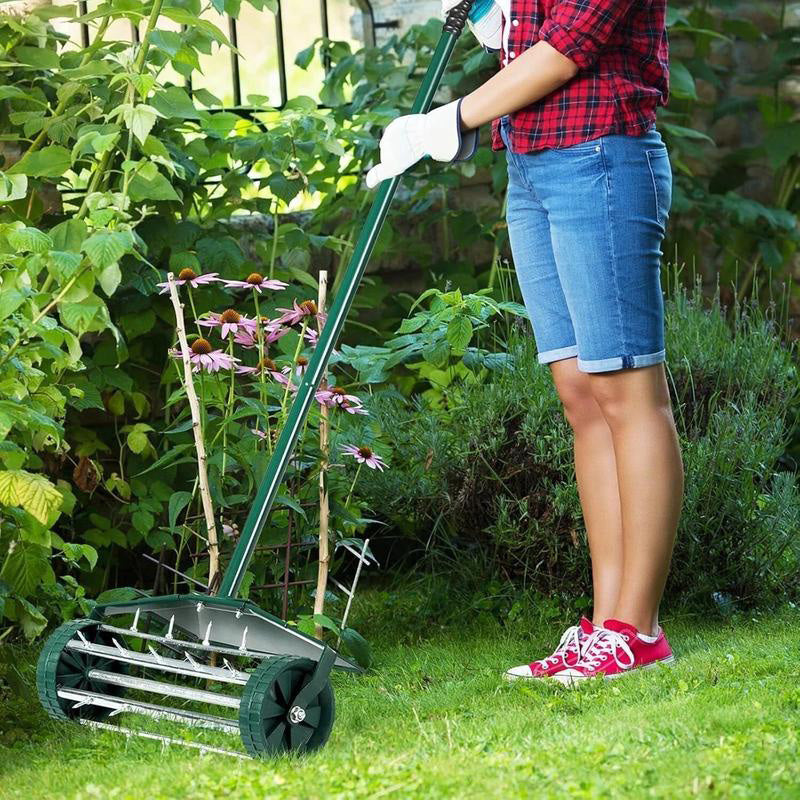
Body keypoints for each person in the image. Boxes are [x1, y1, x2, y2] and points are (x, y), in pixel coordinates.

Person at [365, 0, 683, 685]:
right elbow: (520, 34)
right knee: (582, 397)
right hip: (532, 166)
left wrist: (449, 120)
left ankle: (639, 629)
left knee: (627, 392)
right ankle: (605, 626)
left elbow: (570, 46)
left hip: (601, 154)